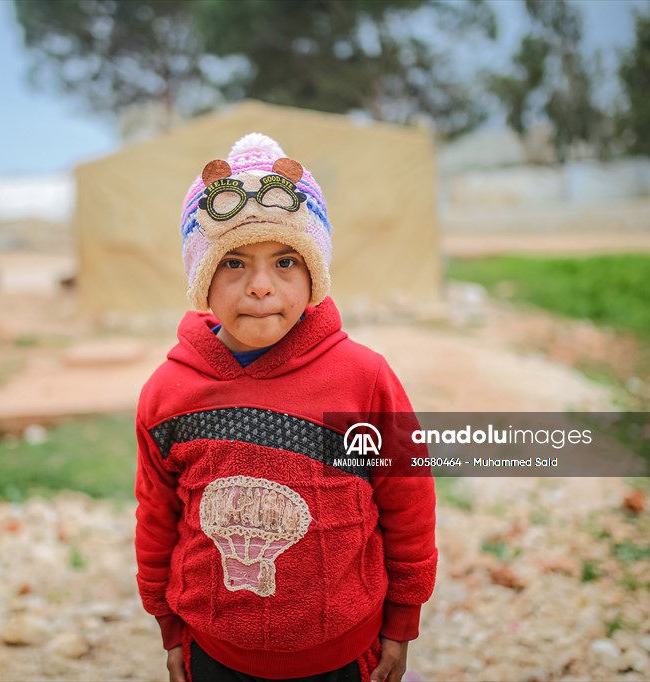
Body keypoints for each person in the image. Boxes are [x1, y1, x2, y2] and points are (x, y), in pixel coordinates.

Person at [135, 133, 438, 682]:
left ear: (313, 273)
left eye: (284, 261)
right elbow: (158, 517)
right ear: (200, 277)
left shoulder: (363, 380)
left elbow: (408, 500)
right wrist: (169, 625)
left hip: (344, 652)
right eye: (232, 262)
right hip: (216, 652)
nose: (259, 286)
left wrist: (401, 620)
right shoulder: (168, 393)